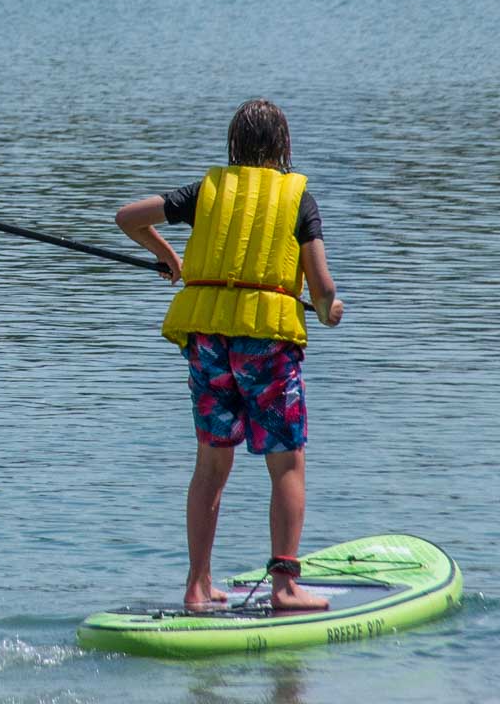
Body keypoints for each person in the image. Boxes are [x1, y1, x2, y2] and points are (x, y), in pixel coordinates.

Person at [115, 98, 344, 611]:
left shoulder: (207, 192)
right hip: (265, 346)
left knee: (211, 466)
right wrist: (330, 309)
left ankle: (198, 586)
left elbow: (127, 217)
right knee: (286, 465)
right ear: (283, 146)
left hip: (208, 345)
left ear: (234, 145)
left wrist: (170, 257)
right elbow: (322, 287)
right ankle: (285, 587)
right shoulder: (297, 197)